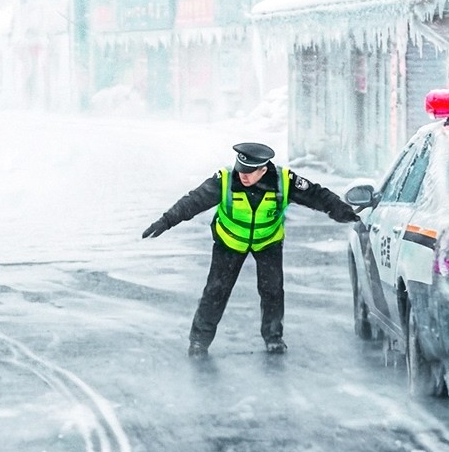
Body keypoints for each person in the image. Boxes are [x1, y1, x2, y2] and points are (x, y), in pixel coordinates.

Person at [142, 142, 360, 357]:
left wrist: (342, 211)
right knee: (215, 291)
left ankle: (273, 338)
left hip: (268, 243)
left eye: (249, 172)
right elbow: (193, 201)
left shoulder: (284, 181)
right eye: (240, 169)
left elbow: (317, 195)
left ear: (263, 170)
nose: (243, 175)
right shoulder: (225, 180)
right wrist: (165, 222)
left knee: (272, 291)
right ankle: (199, 342)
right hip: (229, 243)